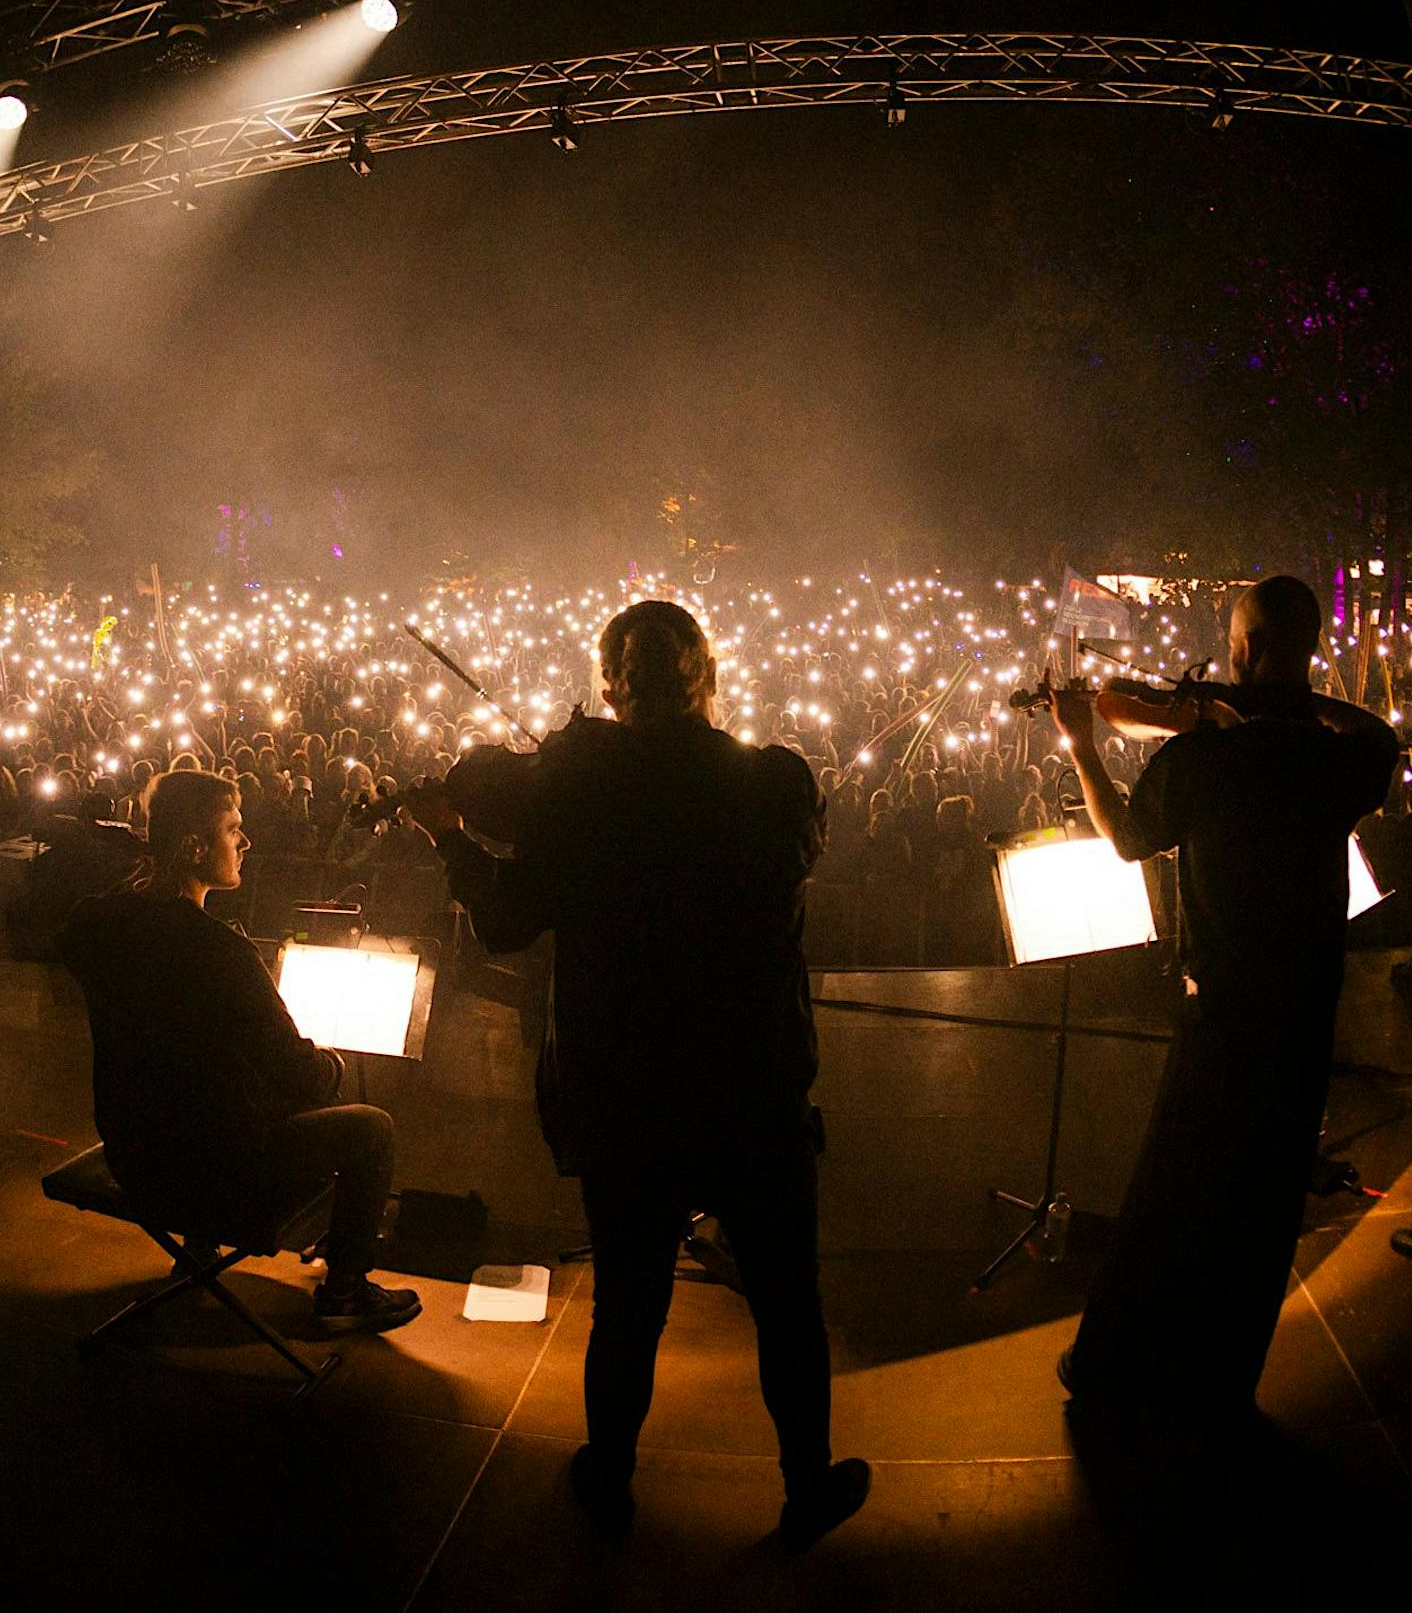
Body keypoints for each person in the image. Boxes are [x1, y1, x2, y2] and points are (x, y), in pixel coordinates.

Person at [406, 600, 868, 1550]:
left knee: (629, 1301)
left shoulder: (577, 791)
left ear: (610, 688)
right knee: (788, 1300)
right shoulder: (778, 784)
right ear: (708, 678)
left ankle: (609, 1482)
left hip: (626, 1091)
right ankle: (806, 1485)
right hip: (753, 1086)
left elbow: (504, 921)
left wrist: (452, 835)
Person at [1049, 575, 1400, 1409]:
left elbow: (1129, 839)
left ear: (1242, 647)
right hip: (1308, 1006)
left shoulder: (1204, 757)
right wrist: (1281, 706)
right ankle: (1226, 1378)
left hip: (1223, 1011)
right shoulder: (1336, 756)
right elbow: (1380, 732)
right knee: (1268, 1197)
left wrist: (1084, 745)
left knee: (1173, 1189)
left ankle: (1109, 1366)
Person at [58, 770, 419, 1332]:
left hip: (133, 1153)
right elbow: (302, 1078)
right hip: (215, 1175)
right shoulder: (223, 954)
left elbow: (102, 937)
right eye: (233, 830)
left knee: (211, 1089)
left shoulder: (97, 925)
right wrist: (330, 1060)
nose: (245, 843)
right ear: (194, 847)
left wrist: (146, 875)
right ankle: (345, 1292)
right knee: (371, 1128)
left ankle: (199, 1252)